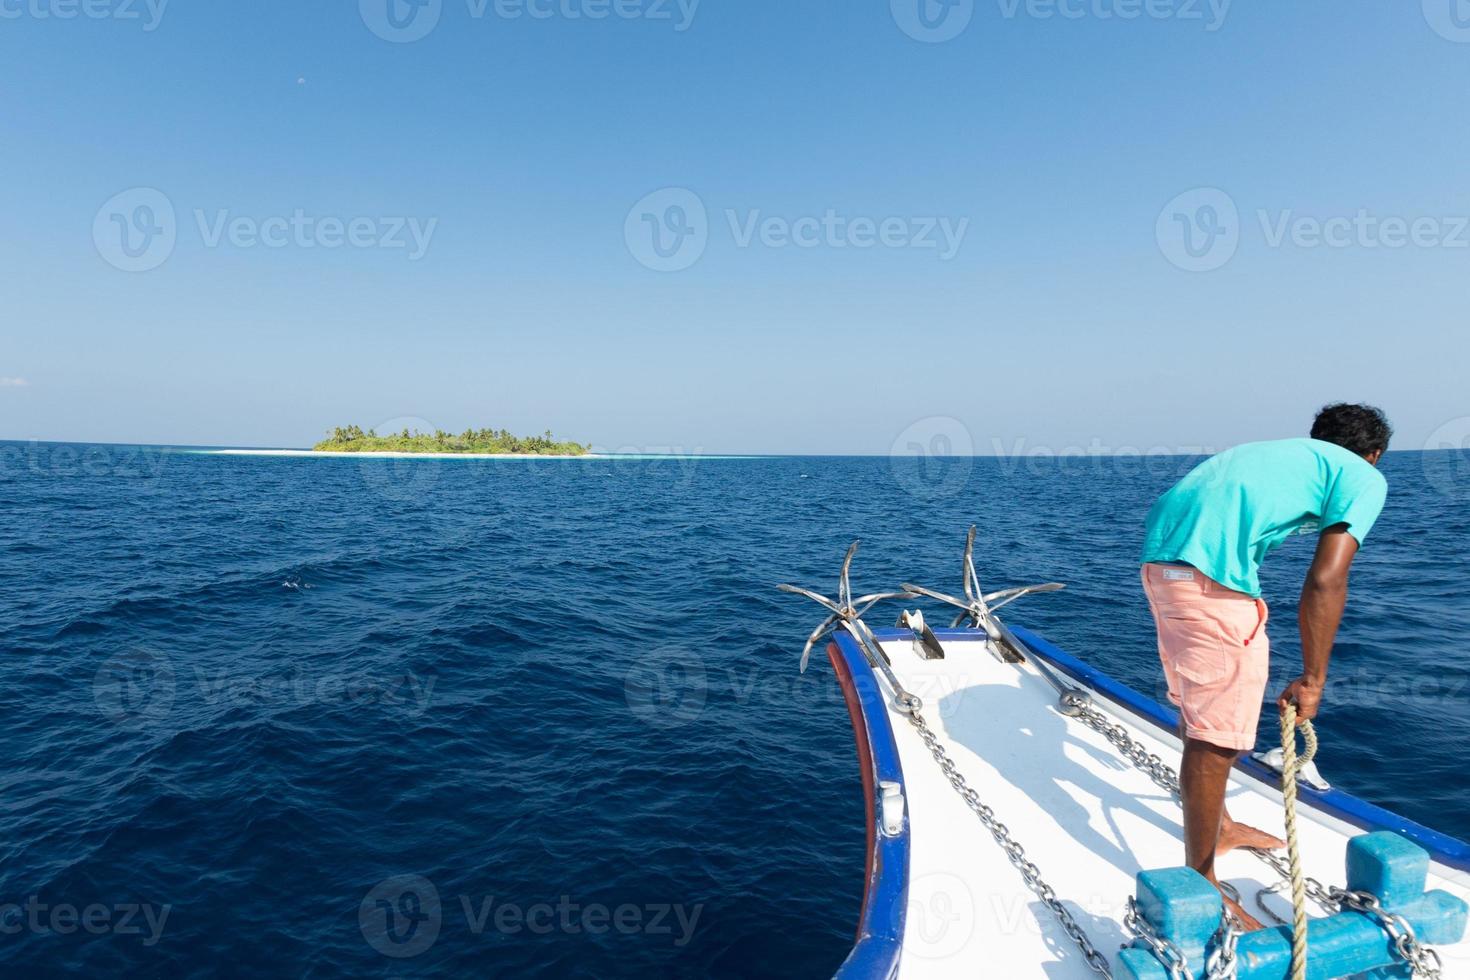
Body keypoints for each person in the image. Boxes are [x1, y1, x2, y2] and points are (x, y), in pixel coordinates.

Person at [1139, 403, 1391, 929]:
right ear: (1374, 455)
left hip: (1162, 567)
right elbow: (1326, 579)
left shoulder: (1284, 456)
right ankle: (1202, 886)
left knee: (1205, 712)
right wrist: (1314, 678)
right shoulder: (1362, 475)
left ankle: (1222, 827)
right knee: (1219, 738)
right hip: (1210, 583)